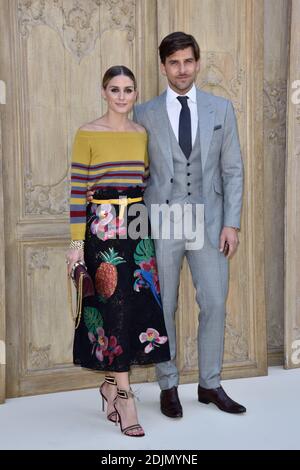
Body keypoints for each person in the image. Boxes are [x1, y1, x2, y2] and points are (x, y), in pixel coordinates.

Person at [88, 31, 246, 417]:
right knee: (164, 305)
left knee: (213, 303)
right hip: (160, 221)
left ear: (197, 62)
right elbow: (127, 167)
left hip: (209, 221)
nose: (181, 69)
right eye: (173, 62)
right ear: (163, 67)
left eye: (188, 61)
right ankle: (168, 384)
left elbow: (233, 171)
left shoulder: (220, 109)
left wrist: (232, 224)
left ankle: (210, 384)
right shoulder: (143, 113)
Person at [66, 65, 170, 437]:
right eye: (115, 89)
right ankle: (125, 396)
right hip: (103, 225)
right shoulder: (87, 133)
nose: (122, 96)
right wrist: (77, 246)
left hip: (137, 221)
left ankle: (110, 385)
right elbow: (79, 192)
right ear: (104, 92)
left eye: (128, 89)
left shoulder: (141, 133)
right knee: (114, 304)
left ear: (135, 93)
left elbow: (142, 179)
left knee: (136, 304)